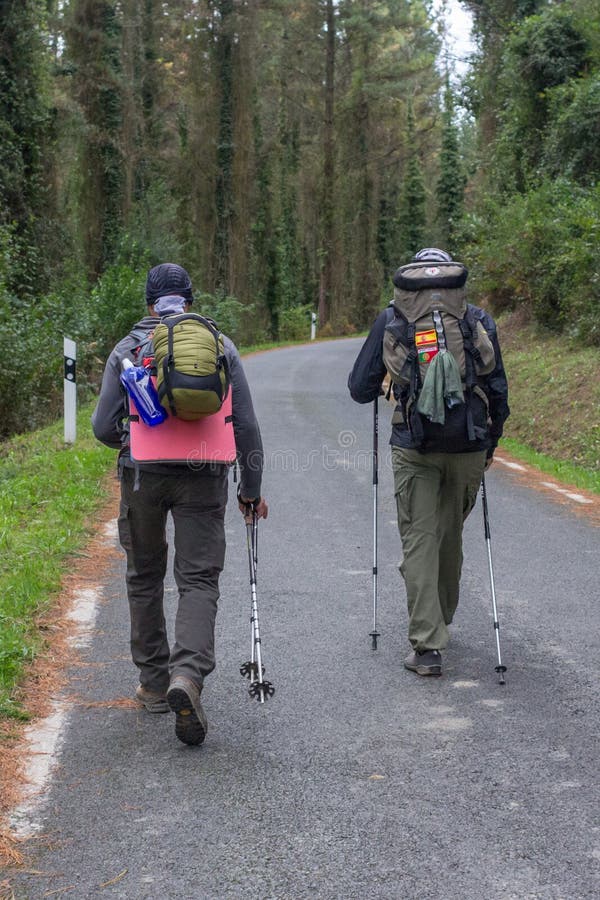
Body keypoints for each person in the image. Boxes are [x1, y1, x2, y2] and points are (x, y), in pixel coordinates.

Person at [92, 262, 267, 745]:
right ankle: (186, 676)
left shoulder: (127, 349)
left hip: (142, 477)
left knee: (144, 575)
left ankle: (152, 683)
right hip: (205, 475)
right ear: (189, 300)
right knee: (197, 578)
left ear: (148, 303)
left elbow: (103, 429)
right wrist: (250, 488)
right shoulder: (220, 346)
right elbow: (246, 426)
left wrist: (137, 434)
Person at [348, 248, 509, 677]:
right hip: (469, 445)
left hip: (414, 445)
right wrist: (490, 444)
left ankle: (427, 648)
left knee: (419, 540)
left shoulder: (394, 319)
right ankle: (442, 618)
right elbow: (498, 389)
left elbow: (359, 389)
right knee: (449, 534)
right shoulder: (476, 319)